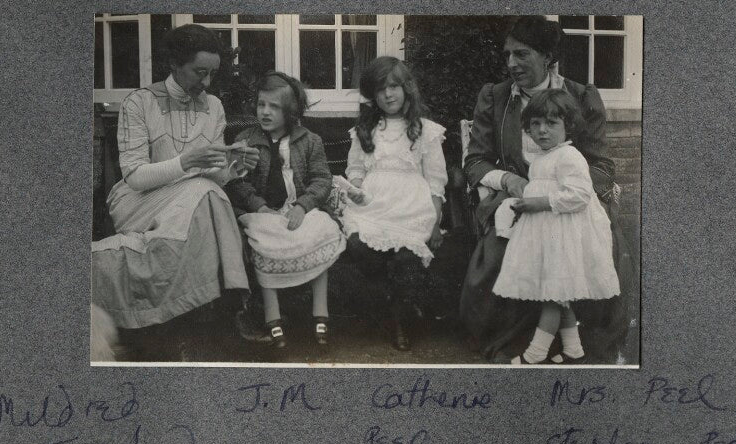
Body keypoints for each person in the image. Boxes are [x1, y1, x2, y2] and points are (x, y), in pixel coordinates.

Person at [460, 16, 636, 363]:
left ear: (548, 56)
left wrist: (560, 193)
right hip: (517, 200)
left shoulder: (581, 96)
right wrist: (509, 181)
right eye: (508, 55)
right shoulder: (495, 97)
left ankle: (588, 345)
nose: (511, 63)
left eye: (522, 54)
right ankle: (519, 342)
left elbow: (602, 166)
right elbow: (476, 161)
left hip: (571, 201)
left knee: (606, 248)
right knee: (497, 253)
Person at [91, 24, 266, 353]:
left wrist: (234, 166)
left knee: (208, 192)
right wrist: (186, 162)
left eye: (212, 73)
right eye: (200, 72)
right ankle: (234, 306)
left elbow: (213, 176)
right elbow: (135, 177)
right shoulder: (138, 102)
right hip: (137, 201)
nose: (207, 83)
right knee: (206, 193)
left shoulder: (214, 107)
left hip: (192, 201)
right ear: (174, 63)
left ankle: (181, 326)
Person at [491, 89, 620, 364]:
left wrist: (539, 202)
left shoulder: (569, 156)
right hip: (547, 236)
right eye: (535, 124)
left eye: (551, 123)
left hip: (565, 236)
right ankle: (574, 350)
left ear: (568, 125)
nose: (542, 130)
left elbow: (580, 196)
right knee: (559, 295)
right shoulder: (541, 159)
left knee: (553, 297)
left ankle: (535, 355)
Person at [223, 72, 345, 348]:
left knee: (321, 230)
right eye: (261, 104)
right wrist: (259, 206)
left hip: (298, 209)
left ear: (290, 111)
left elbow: (322, 179)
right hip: (264, 212)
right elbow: (238, 182)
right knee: (262, 238)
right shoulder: (246, 141)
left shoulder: (310, 141)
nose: (265, 112)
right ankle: (272, 316)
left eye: (274, 107)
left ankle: (320, 313)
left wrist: (303, 206)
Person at [341, 56, 448, 351]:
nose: (388, 95)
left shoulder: (425, 130)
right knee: (360, 248)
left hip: (412, 209)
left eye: (394, 87)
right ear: (372, 95)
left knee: (406, 259)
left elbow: (436, 182)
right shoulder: (366, 130)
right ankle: (393, 309)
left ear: (406, 88)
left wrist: (435, 222)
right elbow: (356, 170)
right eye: (380, 89)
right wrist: (355, 188)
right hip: (373, 208)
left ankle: (401, 317)